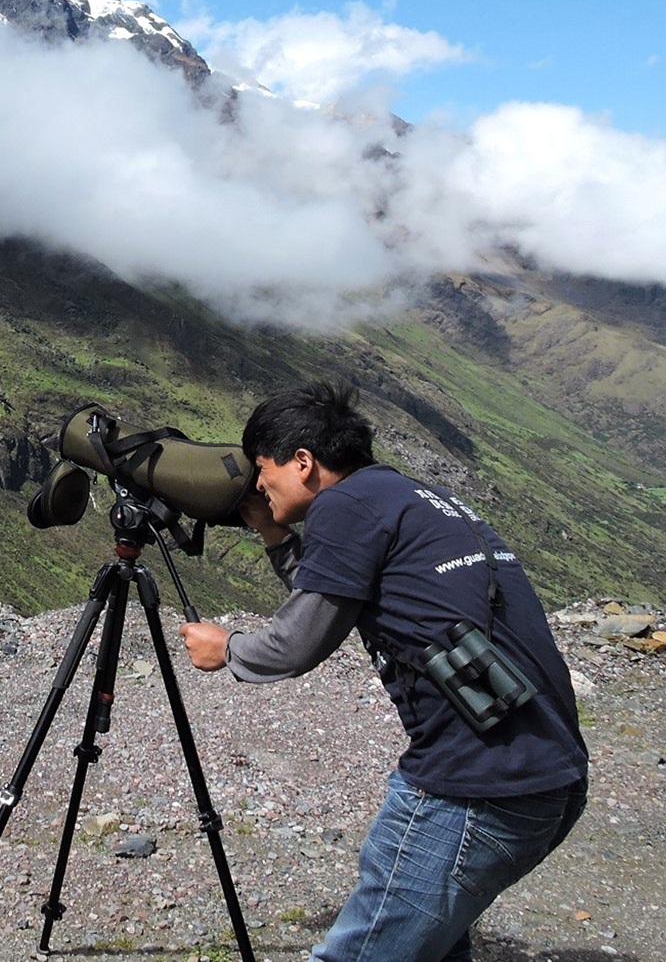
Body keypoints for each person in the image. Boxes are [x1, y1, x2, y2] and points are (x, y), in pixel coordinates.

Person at [180, 380, 587, 962]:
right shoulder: (403, 496)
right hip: (549, 773)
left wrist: (230, 650)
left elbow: (297, 644)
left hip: (475, 788)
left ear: (303, 462)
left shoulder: (344, 507)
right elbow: (337, 590)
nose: (260, 484)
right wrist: (274, 533)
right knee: (428, 948)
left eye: (263, 470)